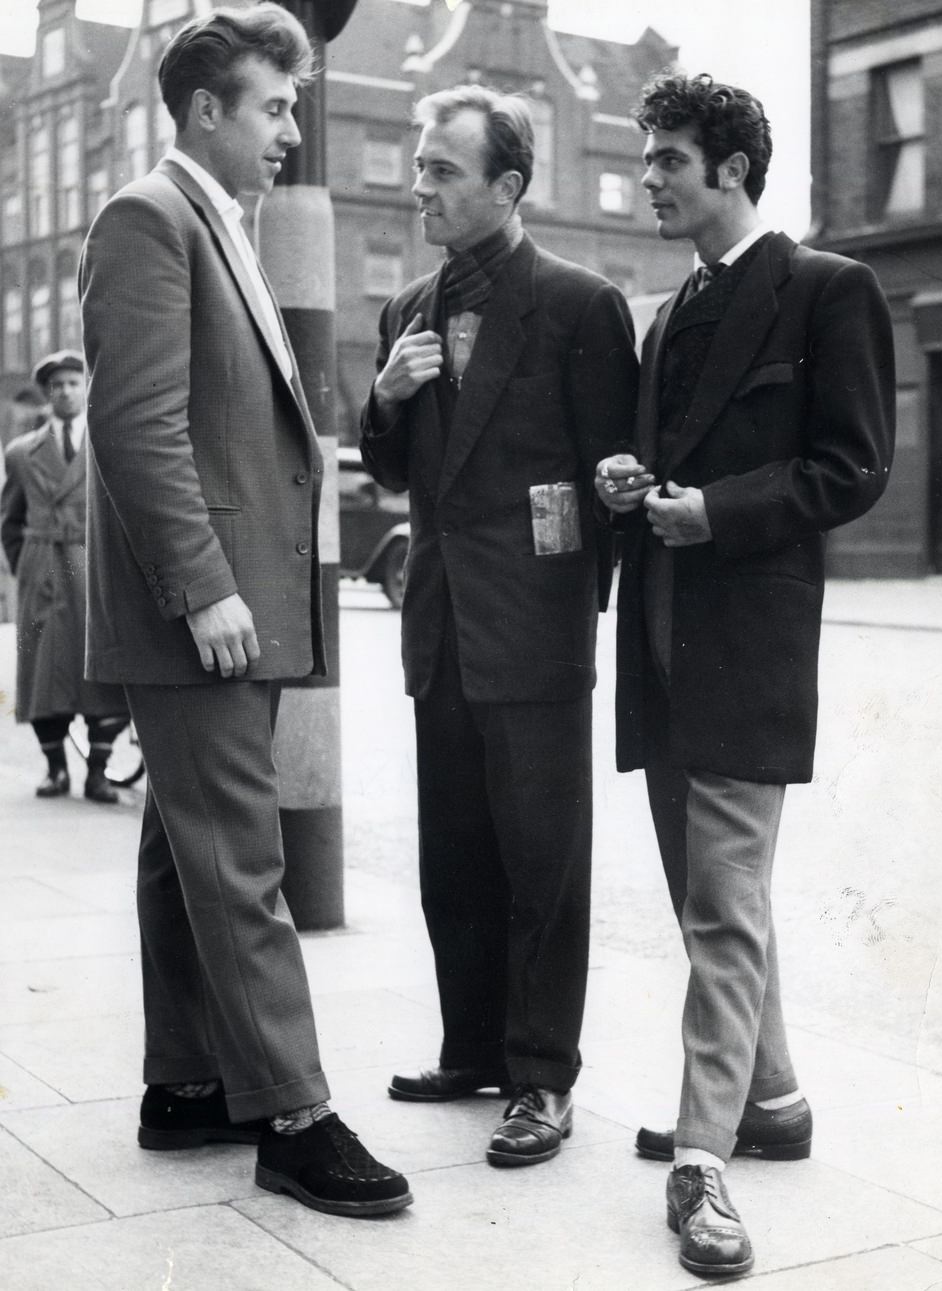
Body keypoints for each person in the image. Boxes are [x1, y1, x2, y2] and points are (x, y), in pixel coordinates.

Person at [79, 3, 410, 1218]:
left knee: (185, 850)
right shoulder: (149, 219)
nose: (292, 126)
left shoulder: (218, 223)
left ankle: (186, 1084)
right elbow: (138, 428)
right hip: (204, 612)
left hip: (234, 608)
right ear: (205, 109)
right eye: (274, 106)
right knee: (243, 858)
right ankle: (296, 1115)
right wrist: (207, 587)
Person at [596, 73, 895, 1278]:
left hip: (747, 646)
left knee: (723, 907)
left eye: (667, 158)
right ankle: (770, 1104)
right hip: (662, 646)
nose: (649, 178)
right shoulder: (670, 314)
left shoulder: (830, 289)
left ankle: (705, 1163)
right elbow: (671, 463)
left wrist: (711, 512)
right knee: (711, 901)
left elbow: (853, 467)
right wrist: (635, 482)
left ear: (730, 165)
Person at [360, 86, 638, 1167]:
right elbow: (389, 469)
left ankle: (541, 1076)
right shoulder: (406, 312)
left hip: (535, 630)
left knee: (543, 863)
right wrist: (384, 399)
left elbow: (613, 476)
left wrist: (573, 605)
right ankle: (472, 1046)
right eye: (421, 168)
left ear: (507, 188)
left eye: (441, 172)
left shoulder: (579, 305)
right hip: (441, 630)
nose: (419, 186)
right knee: (455, 857)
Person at [1, 350, 130, 804]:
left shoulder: (110, 444)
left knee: (103, 673)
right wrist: (28, 569)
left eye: (74, 383)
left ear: (87, 388)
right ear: (46, 393)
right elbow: (9, 521)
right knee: (43, 672)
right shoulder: (20, 454)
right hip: (43, 570)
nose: (66, 392)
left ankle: (98, 772)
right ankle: (55, 769)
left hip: (93, 569)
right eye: (57, 385)